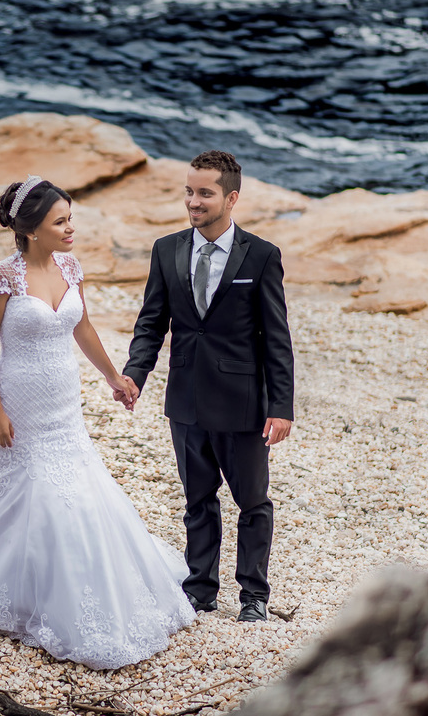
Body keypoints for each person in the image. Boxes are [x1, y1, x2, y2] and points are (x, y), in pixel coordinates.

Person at [0, 175, 195, 669]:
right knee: (31, 494)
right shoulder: (3, 277)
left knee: (80, 490)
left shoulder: (70, 266)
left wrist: (113, 377)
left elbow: (81, 326)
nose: (71, 229)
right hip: (18, 403)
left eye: (71, 219)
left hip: (64, 405)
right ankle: (15, 590)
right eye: (60, 222)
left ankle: (82, 585)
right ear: (30, 230)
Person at [117, 151, 294, 623]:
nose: (193, 202)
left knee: (252, 502)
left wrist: (281, 406)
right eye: (189, 192)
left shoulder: (261, 255)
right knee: (197, 500)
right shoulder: (166, 250)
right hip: (186, 400)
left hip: (243, 405)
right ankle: (199, 589)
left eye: (205, 193)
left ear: (231, 198)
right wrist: (135, 374)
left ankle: (253, 595)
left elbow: (277, 339)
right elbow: (151, 323)